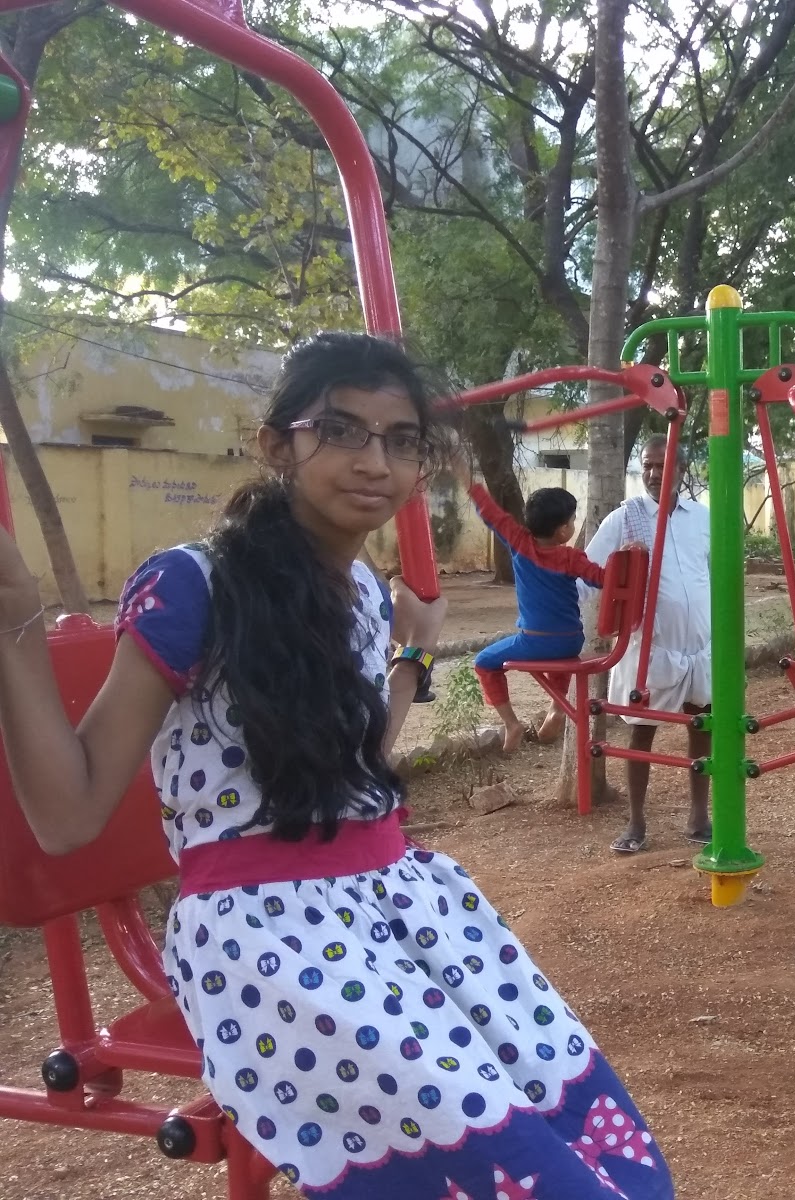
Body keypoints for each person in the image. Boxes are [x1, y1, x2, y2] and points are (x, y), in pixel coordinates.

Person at [0, 333, 673, 1200]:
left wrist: (414, 658)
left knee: (585, 1134)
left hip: (388, 902)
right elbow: (70, 815)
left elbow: (353, 763)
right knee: (530, 1177)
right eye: (342, 430)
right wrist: (17, 627)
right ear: (277, 444)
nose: (375, 462)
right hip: (263, 940)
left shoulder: (358, 590)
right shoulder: (194, 586)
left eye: (402, 441)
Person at [585, 434, 711, 855]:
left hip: (698, 647)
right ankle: (636, 822)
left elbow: (716, 573)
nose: (655, 474)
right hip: (649, 651)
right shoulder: (627, 518)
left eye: (663, 465)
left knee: (702, 726)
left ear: (680, 469)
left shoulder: (702, 518)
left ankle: (699, 815)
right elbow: (587, 574)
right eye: (648, 466)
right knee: (641, 733)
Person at [451, 454, 608, 753]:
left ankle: (511, 723)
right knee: (561, 660)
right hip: (571, 642)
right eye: (573, 519)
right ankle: (557, 708)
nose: (574, 524)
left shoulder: (519, 542)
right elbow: (601, 579)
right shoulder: (570, 557)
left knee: (484, 662)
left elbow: (490, 512)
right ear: (563, 531)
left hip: (534, 642)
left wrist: (466, 478)